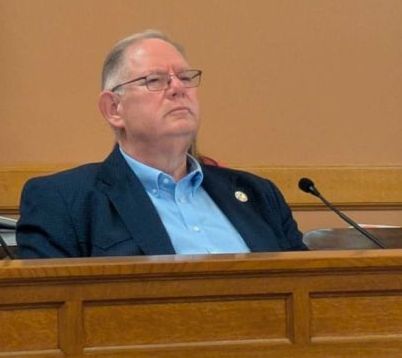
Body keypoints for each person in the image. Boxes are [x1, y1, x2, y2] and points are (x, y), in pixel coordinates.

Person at [17, 30, 307, 258]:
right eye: (155, 80)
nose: (178, 88)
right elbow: (51, 319)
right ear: (114, 109)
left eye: (184, 77)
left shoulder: (258, 195)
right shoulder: (65, 201)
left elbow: (313, 295)